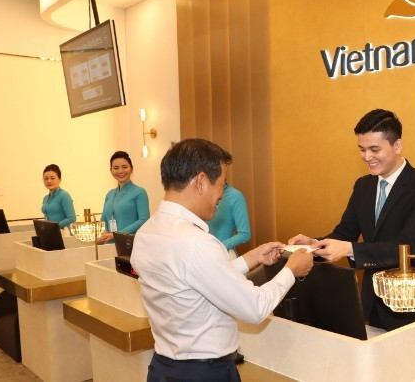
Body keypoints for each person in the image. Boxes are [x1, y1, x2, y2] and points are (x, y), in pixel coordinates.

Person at [131, 138, 313, 382]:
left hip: (163, 368)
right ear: (201, 182)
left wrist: (251, 258)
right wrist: (291, 269)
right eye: (222, 185)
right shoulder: (197, 243)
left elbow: (195, 278)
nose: (221, 195)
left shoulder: (146, 233)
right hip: (204, 374)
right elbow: (254, 307)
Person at [289, 109, 415, 331]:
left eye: (374, 149)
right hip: (374, 304)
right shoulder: (363, 186)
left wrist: (349, 249)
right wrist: (314, 244)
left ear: (397, 146)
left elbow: (407, 246)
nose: (367, 157)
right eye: (362, 149)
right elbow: (344, 233)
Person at [98, 151, 149, 243]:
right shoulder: (109, 194)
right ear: (111, 170)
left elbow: (143, 220)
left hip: (130, 243)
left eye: (125, 167)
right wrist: (104, 231)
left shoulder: (139, 192)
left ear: (131, 169)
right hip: (109, 243)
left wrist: (117, 234)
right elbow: (103, 219)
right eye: (116, 168)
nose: (120, 171)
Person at [205, 182, 251, 258]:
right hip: (204, 253)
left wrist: (218, 247)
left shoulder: (235, 196)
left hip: (225, 255)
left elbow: (245, 234)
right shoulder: (203, 194)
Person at [40, 164, 76, 230]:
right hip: (51, 232)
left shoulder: (64, 195)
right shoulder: (45, 198)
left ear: (59, 179)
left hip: (63, 232)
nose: (49, 181)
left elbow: (72, 218)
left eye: (52, 178)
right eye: (46, 178)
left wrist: (54, 227)